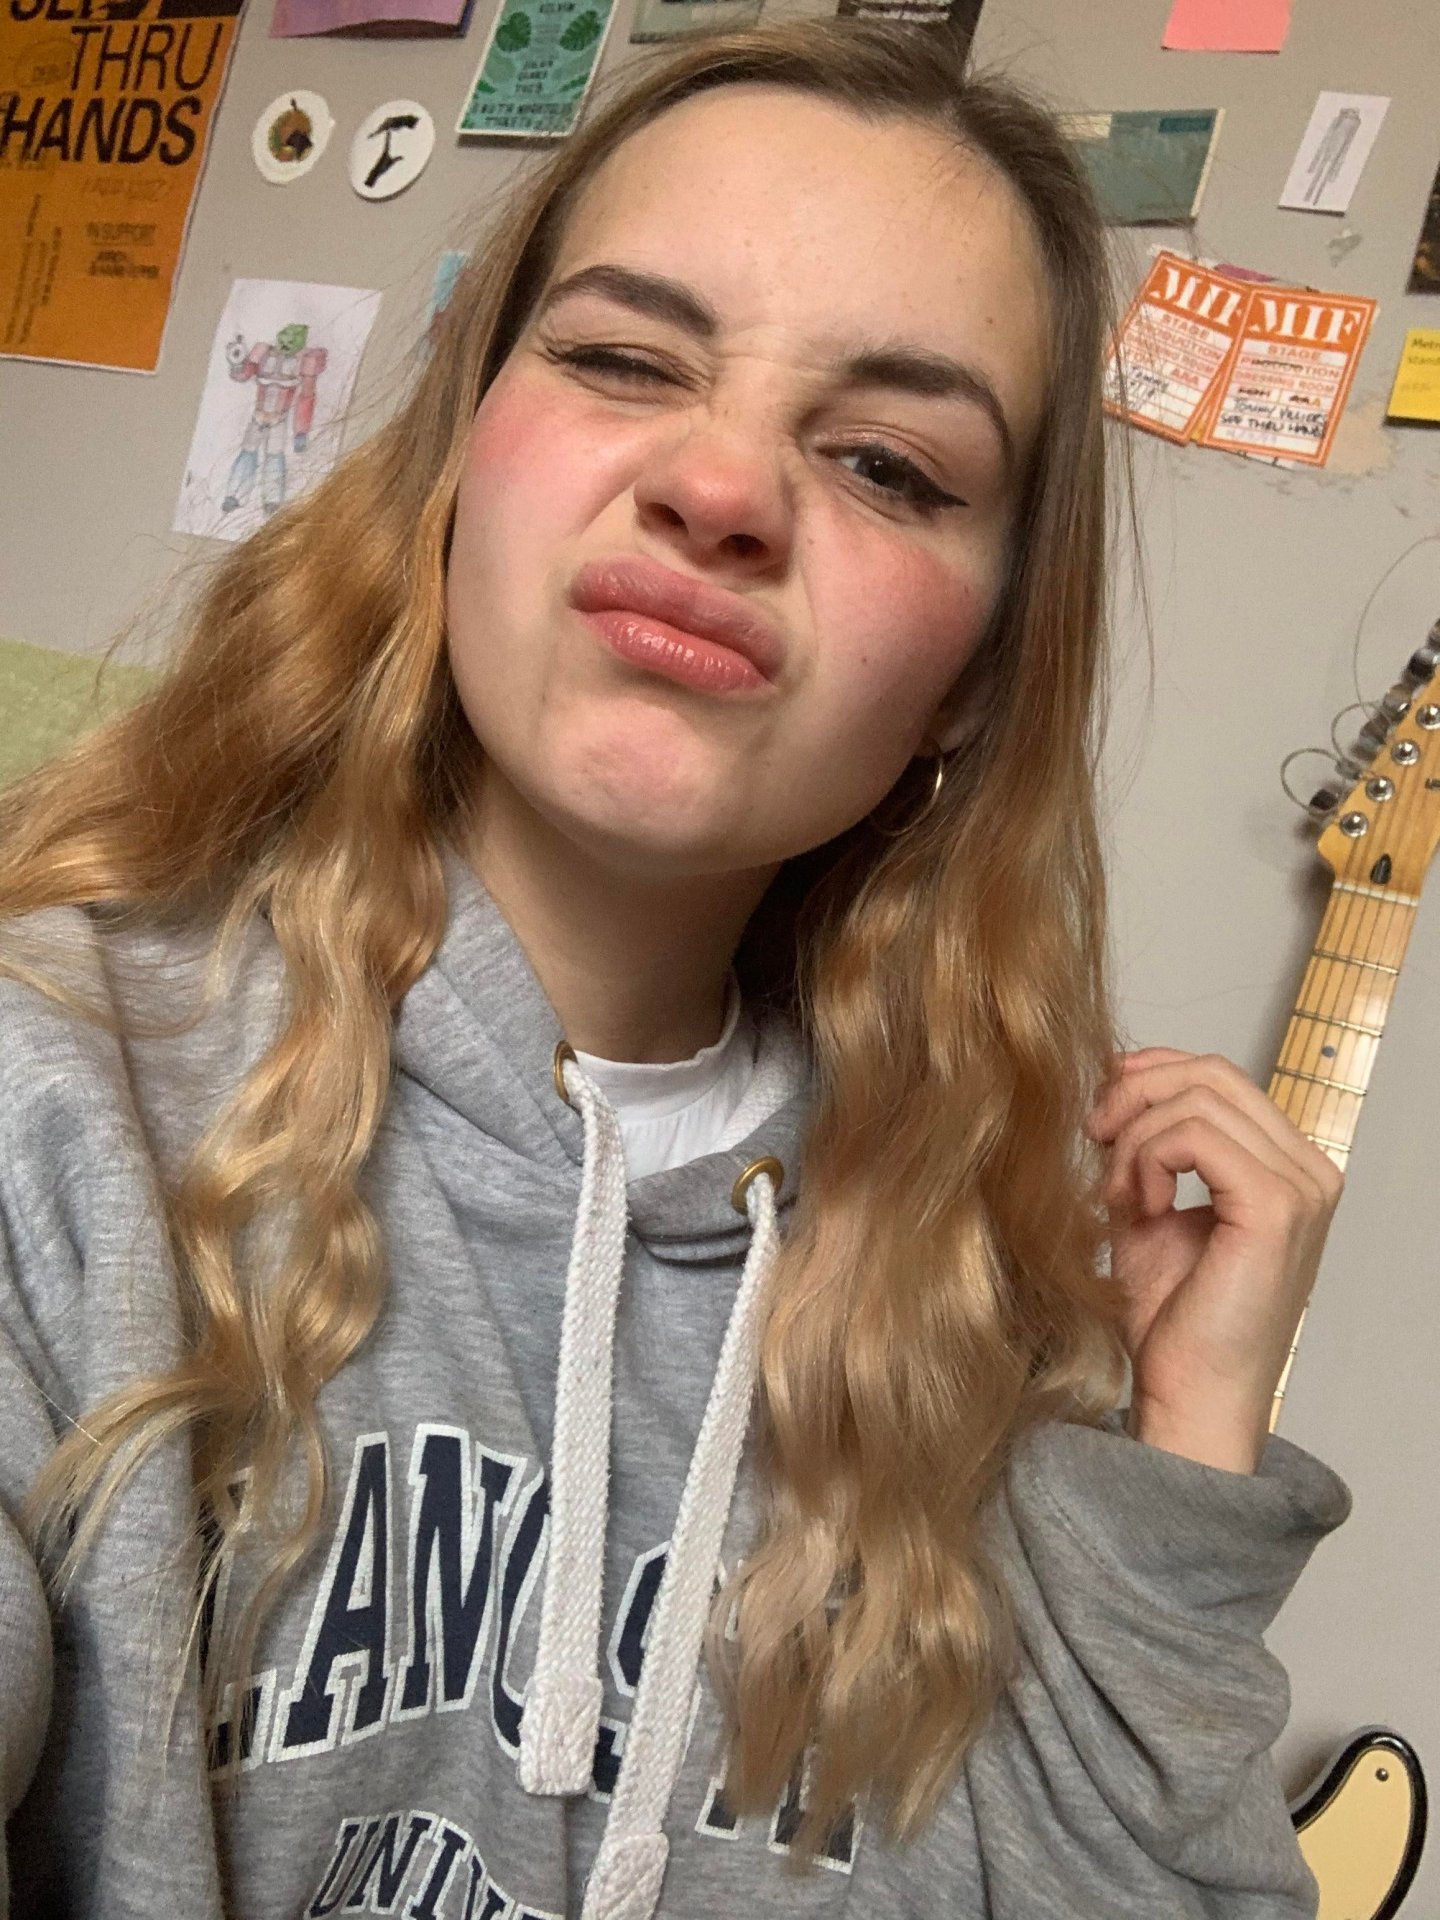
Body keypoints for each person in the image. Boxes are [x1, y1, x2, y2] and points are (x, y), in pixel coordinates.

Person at [0, 18, 1350, 1920]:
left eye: (887, 464)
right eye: (627, 360)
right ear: (456, 462)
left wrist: (1190, 1445)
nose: (722, 490)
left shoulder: (979, 1297)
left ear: (973, 677)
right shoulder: (58, 1099)